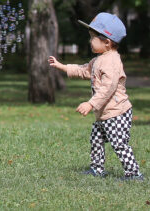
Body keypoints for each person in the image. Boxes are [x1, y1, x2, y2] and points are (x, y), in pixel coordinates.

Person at [48, 12, 145, 182]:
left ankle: (133, 174)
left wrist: (90, 103)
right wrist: (62, 66)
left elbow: (108, 88)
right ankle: (97, 169)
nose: (90, 41)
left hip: (117, 112)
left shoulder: (112, 61)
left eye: (93, 37)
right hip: (105, 114)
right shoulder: (99, 59)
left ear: (107, 42)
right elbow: (85, 70)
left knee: (119, 144)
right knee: (96, 138)